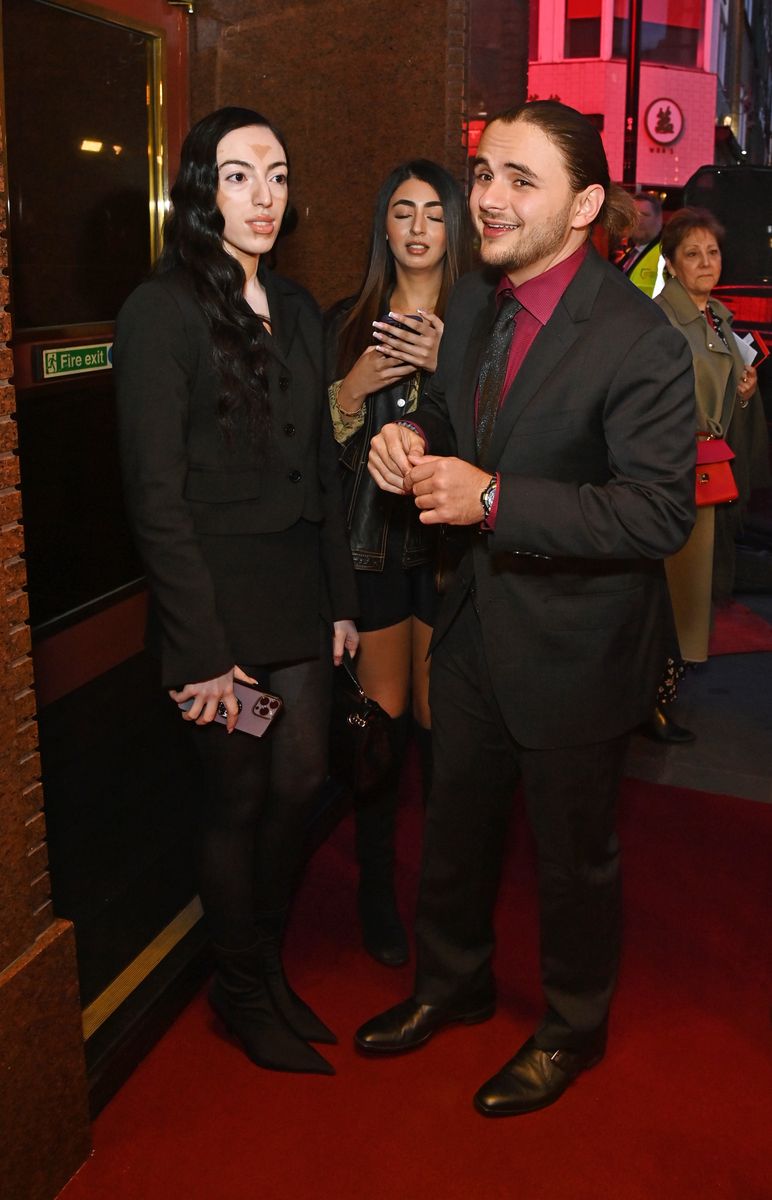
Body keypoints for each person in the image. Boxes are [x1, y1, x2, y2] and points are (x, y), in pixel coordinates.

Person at [354, 100, 696, 1116]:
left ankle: (571, 1030)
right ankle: (449, 987)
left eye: (519, 180)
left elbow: (656, 510)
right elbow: (462, 425)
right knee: (454, 829)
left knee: (572, 860)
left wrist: (495, 499)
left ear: (585, 204)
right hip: (470, 629)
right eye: (484, 173)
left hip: (579, 651)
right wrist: (407, 448)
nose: (488, 200)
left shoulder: (639, 339)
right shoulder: (469, 307)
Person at [114, 107, 359, 1076]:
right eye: (239, 175)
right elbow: (153, 497)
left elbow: (323, 466)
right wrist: (202, 649)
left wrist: (341, 599)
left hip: (295, 596)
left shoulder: (299, 309)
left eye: (278, 176)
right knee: (237, 794)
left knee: (299, 778)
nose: (264, 196)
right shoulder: (161, 309)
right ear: (200, 190)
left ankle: (259, 959)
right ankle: (241, 986)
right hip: (217, 607)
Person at [325, 161, 473, 967]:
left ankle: (446, 904)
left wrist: (448, 362)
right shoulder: (347, 321)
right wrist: (354, 388)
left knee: (443, 730)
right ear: (383, 226)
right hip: (374, 548)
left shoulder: (480, 323)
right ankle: (376, 890)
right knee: (378, 734)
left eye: (434, 214)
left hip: (454, 556)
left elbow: (500, 439)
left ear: (456, 229)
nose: (417, 227)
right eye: (402, 212)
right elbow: (313, 457)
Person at [652, 208, 769, 720]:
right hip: (676, 475)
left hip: (711, 471)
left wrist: (744, 393)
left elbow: (724, 394)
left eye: (713, 252)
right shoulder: (658, 318)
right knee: (670, 590)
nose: (706, 262)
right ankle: (652, 701)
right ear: (671, 265)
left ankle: (664, 696)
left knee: (695, 588)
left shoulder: (717, 317)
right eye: (692, 254)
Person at [617, 192, 665, 297]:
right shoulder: (632, 252)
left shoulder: (666, 253)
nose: (639, 220)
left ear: (659, 220)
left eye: (645, 215)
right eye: (634, 215)